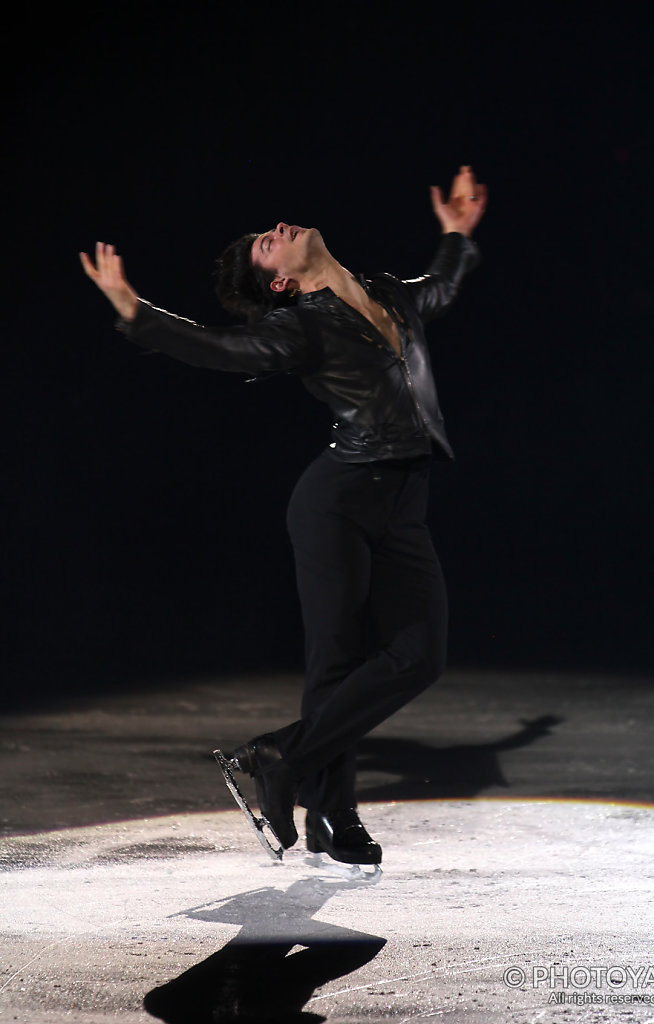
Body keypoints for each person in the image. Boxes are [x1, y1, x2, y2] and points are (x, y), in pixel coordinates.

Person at [80, 166, 487, 865]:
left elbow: (441, 290)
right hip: (337, 500)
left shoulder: (388, 292)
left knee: (419, 656)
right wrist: (134, 310)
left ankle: (278, 757)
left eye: (269, 233)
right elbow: (218, 347)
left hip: (401, 500)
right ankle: (338, 816)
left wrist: (453, 235)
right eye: (265, 245)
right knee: (335, 662)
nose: (276, 232)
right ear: (278, 283)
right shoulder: (297, 327)